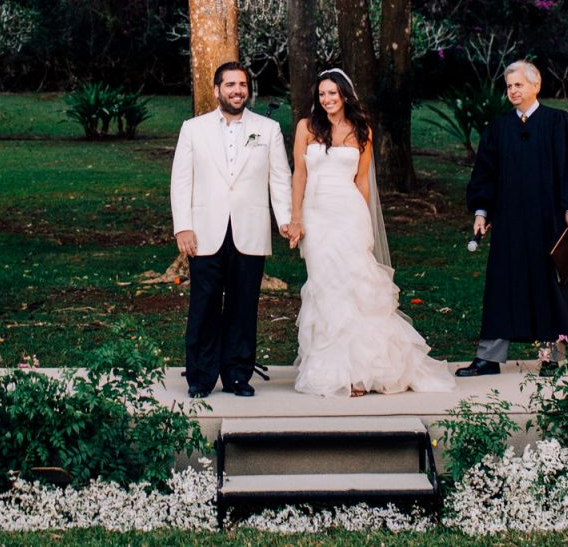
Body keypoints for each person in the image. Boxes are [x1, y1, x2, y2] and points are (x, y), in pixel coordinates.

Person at [287, 69, 454, 398]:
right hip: (317, 217)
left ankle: (360, 372)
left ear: (345, 95)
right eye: (322, 94)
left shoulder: (362, 130)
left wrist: (363, 222)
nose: (327, 99)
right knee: (325, 286)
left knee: (355, 289)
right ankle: (332, 370)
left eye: (332, 93)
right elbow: (299, 177)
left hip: (348, 214)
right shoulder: (306, 128)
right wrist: (296, 218)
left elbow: (362, 181)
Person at [458, 60, 568, 377]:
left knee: (551, 285)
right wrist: (482, 211)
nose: (512, 91)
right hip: (510, 222)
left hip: (549, 220)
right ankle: (489, 357)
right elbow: (486, 174)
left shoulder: (558, 124)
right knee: (502, 285)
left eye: (518, 85)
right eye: (509, 86)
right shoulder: (498, 129)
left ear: (535, 86)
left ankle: (551, 356)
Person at [171, 61, 293, 399]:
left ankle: (238, 375)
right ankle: (200, 377)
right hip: (204, 231)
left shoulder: (267, 129)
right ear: (217, 90)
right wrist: (183, 227)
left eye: (242, 85)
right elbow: (181, 181)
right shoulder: (192, 128)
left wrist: (285, 219)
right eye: (230, 85)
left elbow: (280, 178)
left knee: (243, 306)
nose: (237, 90)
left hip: (250, 229)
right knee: (204, 305)